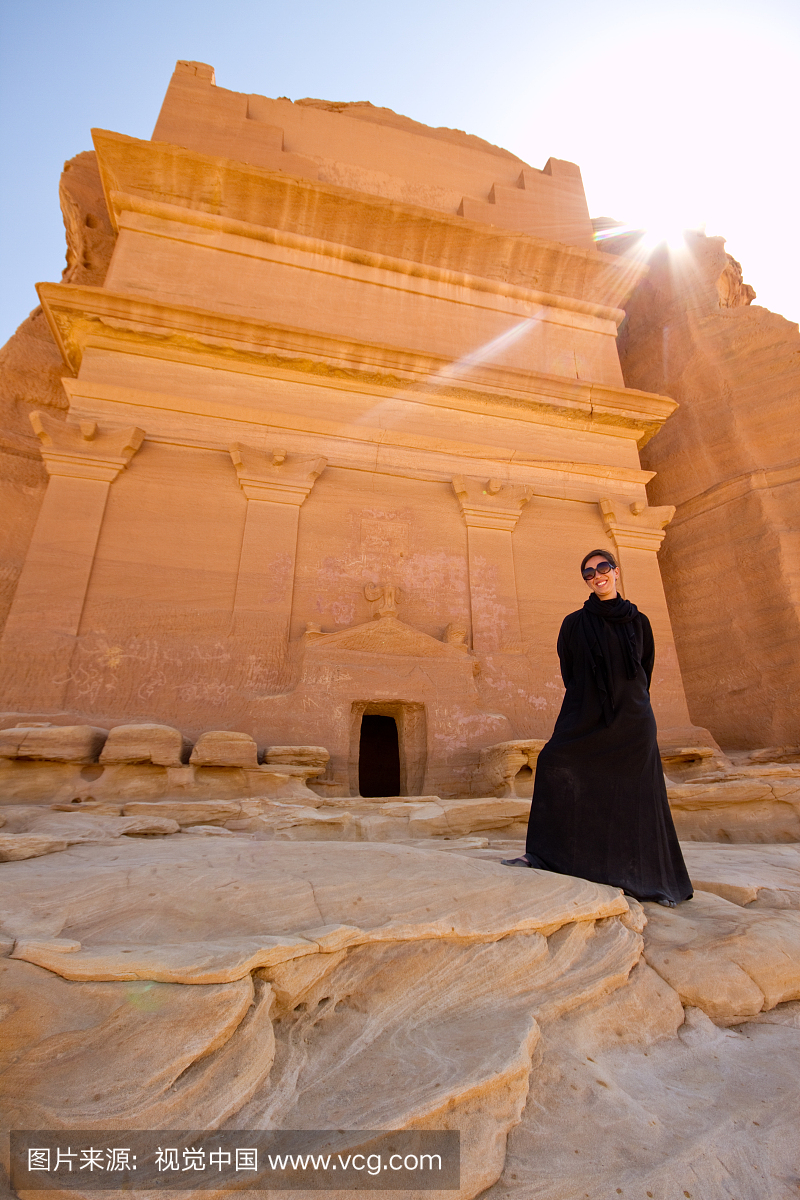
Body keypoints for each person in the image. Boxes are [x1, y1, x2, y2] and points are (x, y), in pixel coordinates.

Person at [502, 549, 692, 907]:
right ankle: (543, 856)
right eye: (588, 573)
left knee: (636, 794)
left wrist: (629, 704)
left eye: (602, 568)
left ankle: (649, 879)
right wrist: (588, 703)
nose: (596, 576)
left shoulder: (639, 621)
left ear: (616, 572)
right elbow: (569, 672)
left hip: (633, 719)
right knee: (554, 763)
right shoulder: (574, 623)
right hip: (585, 714)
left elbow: (644, 669)